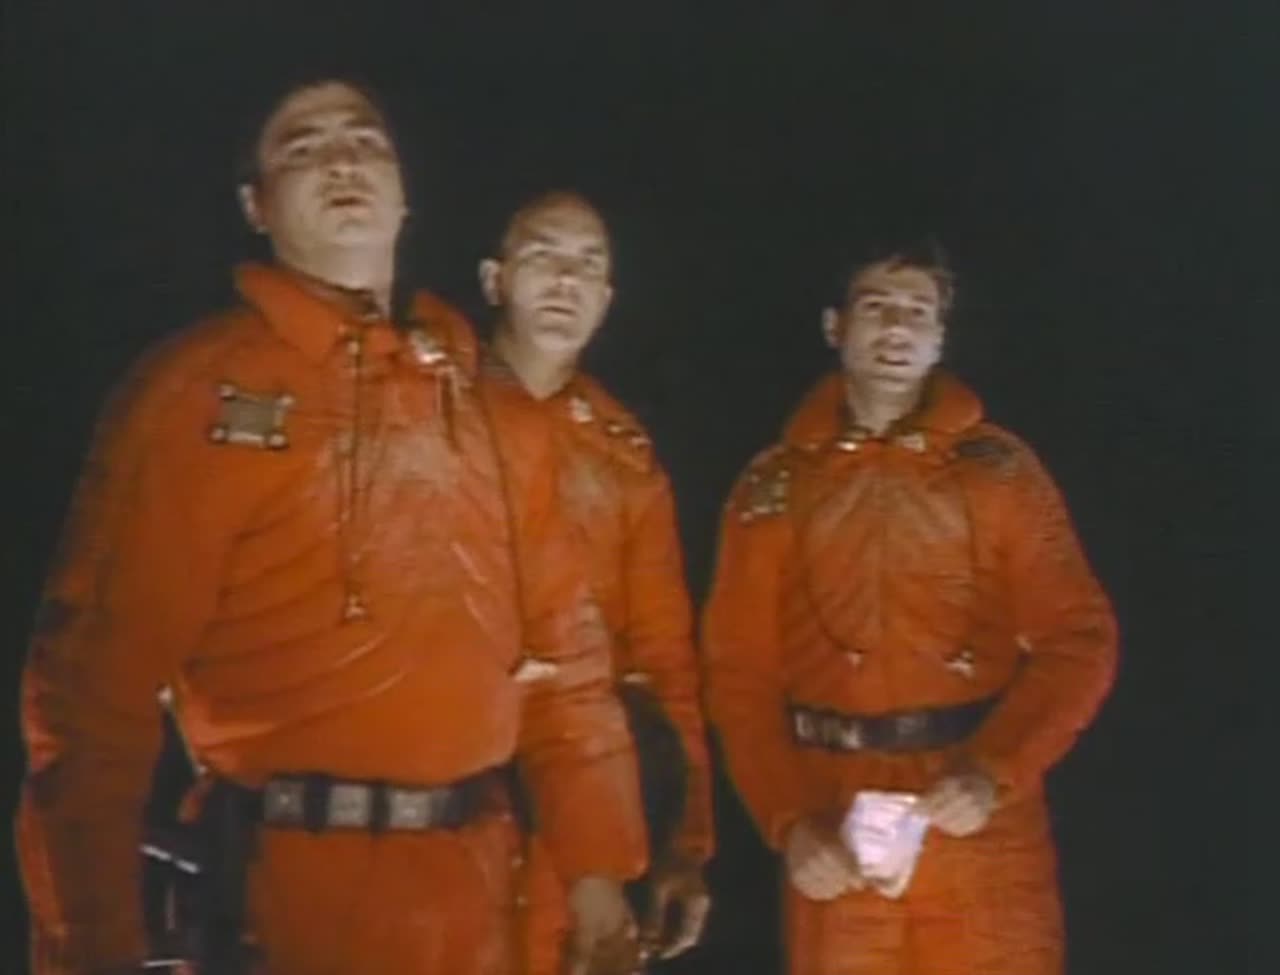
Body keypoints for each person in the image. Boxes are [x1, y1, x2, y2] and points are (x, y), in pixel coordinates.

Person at [17, 78, 647, 975]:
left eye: (365, 142)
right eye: (302, 148)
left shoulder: (487, 404)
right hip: (288, 896)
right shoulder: (201, 393)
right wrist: (92, 945)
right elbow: (90, 696)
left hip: (480, 895)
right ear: (256, 205)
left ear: (404, 193)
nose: (343, 160)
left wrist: (596, 871)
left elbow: (569, 664)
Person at [702, 238, 1118, 974]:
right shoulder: (775, 488)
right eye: (876, 307)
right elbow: (739, 677)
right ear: (835, 327)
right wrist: (790, 820)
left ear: (941, 337)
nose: (897, 327)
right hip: (838, 825)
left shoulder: (999, 474)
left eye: (918, 311)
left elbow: (1080, 639)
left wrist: (996, 769)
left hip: (976, 822)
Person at [475, 191, 714, 973]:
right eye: (544, 256)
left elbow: (665, 660)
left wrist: (684, 842)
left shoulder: (624, 456)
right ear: (495, 279)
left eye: (588, 265)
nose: (565, 281)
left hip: (581, 814)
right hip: (442, 797)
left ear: (607, 299)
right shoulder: (424, 404)